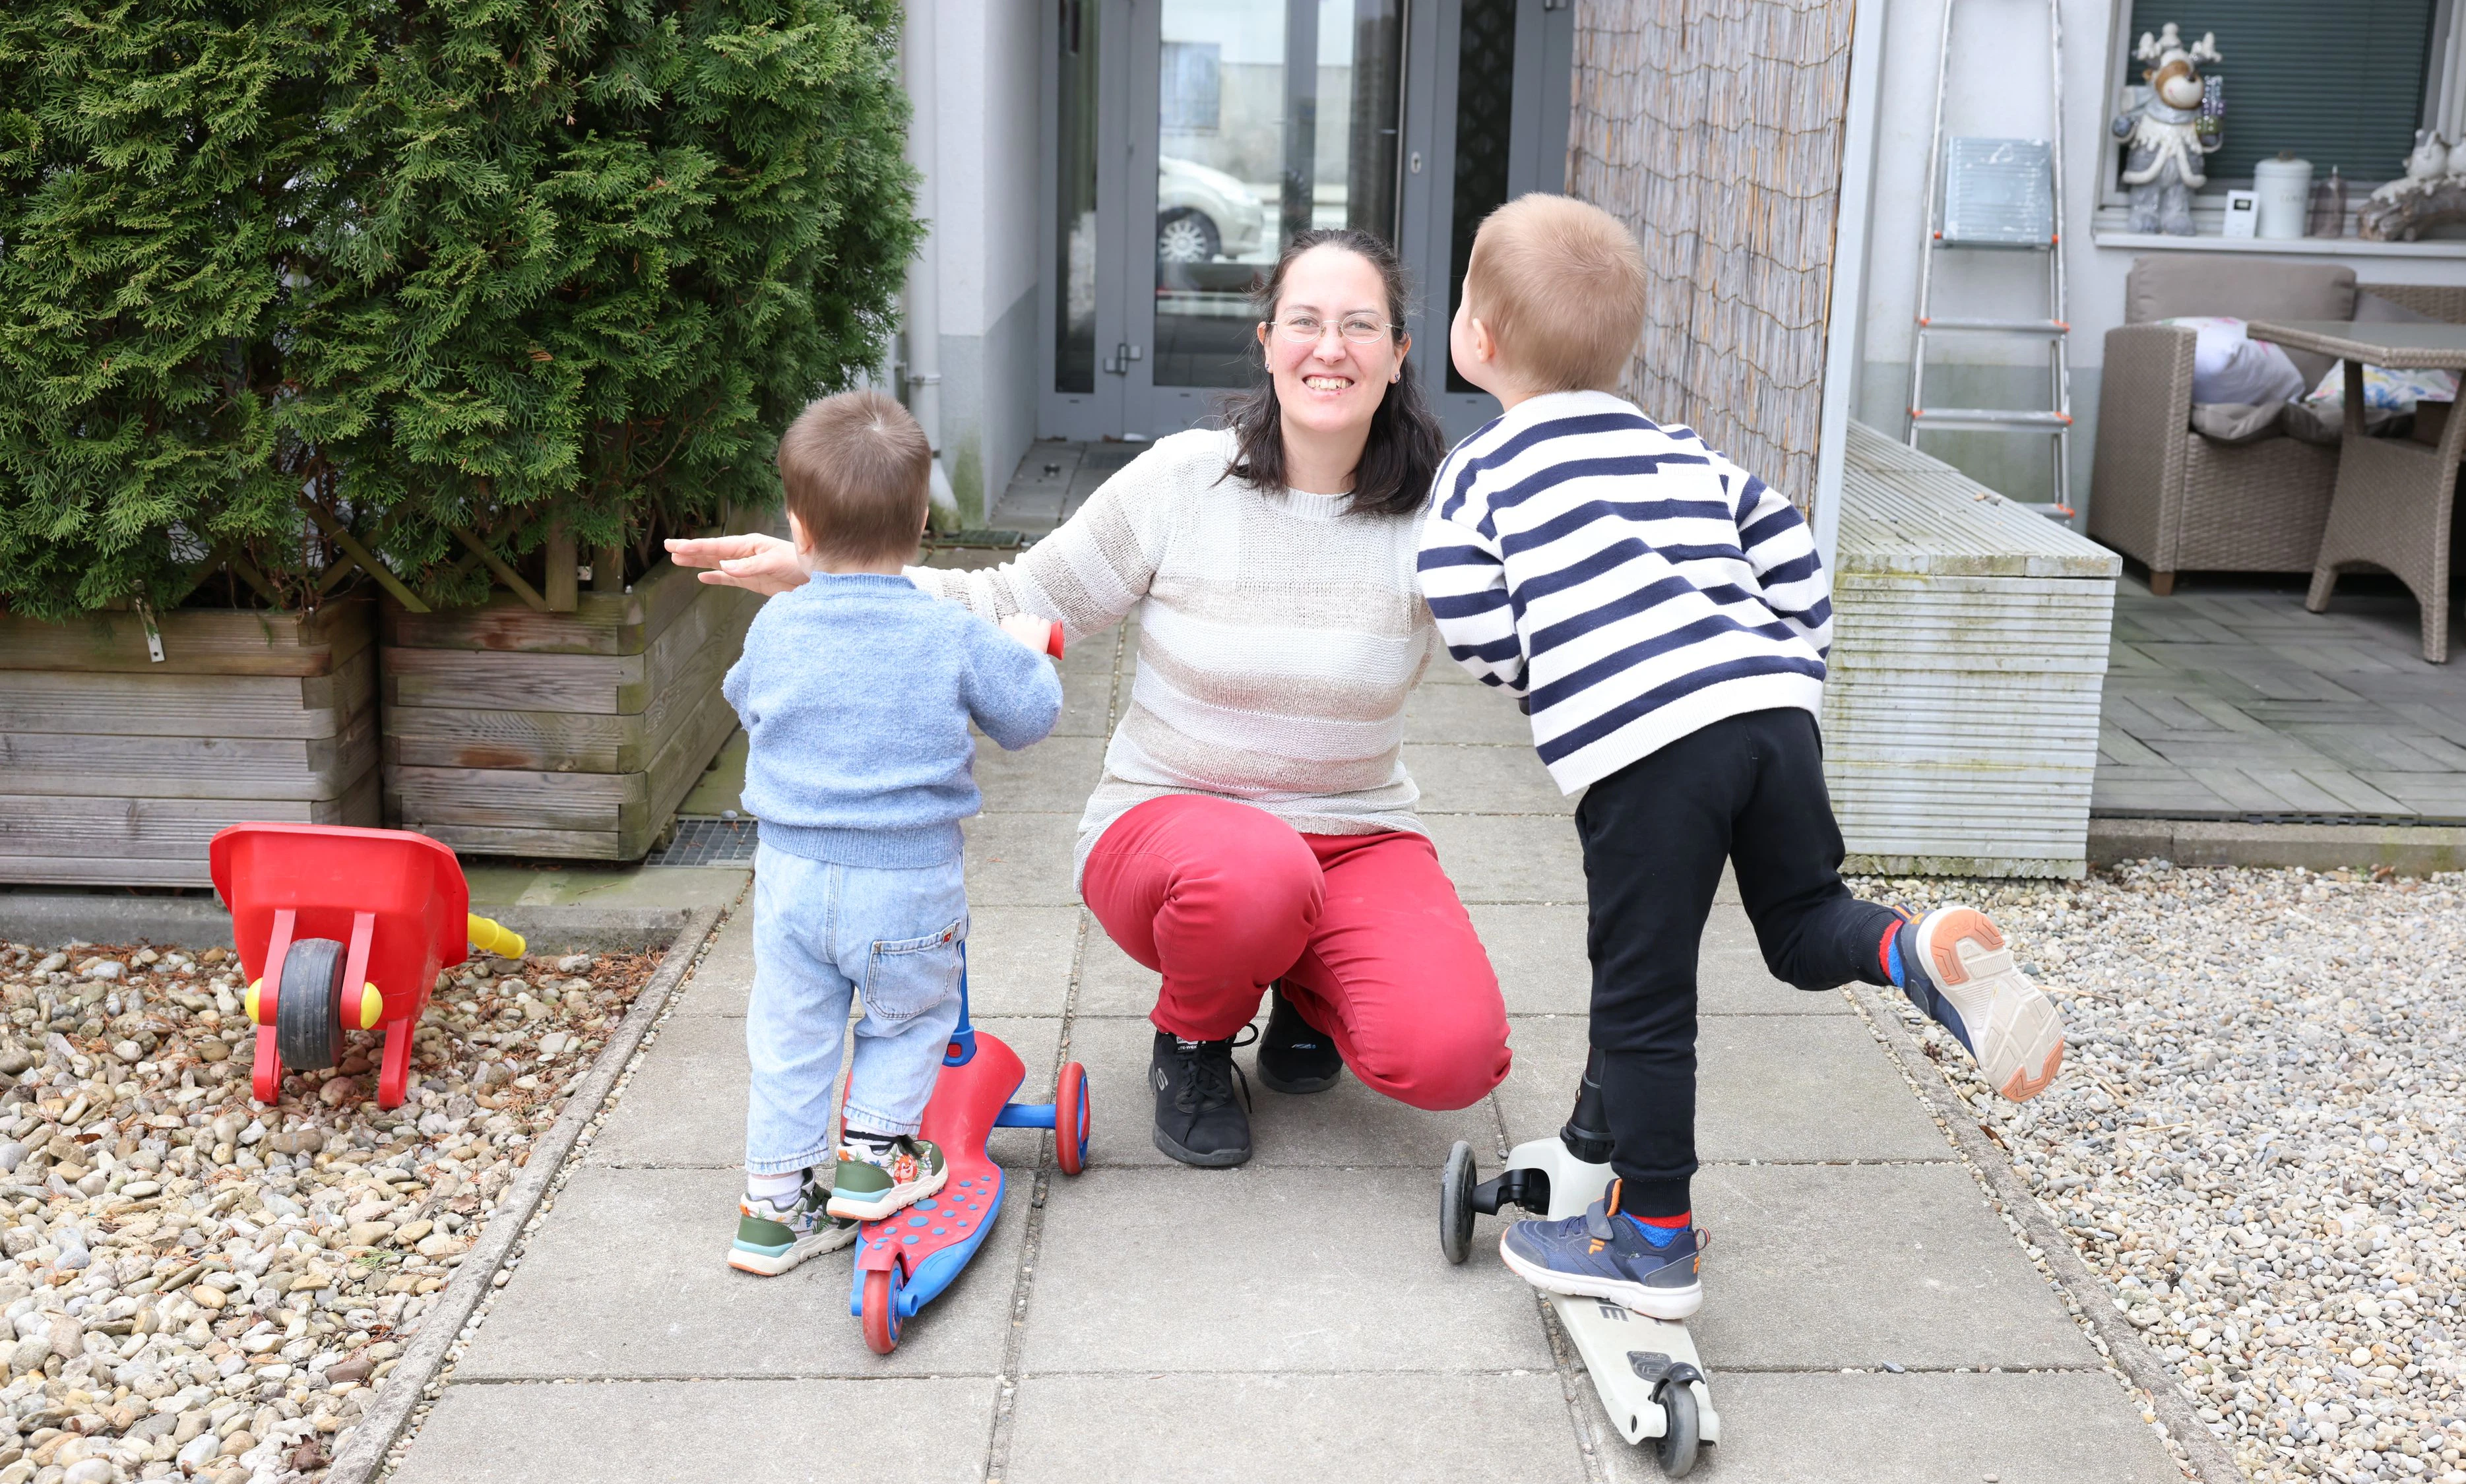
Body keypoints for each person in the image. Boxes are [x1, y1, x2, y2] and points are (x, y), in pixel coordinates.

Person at [670, 230, 1511, 1172]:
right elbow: (1014, 597)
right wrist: (832, 575)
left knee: (1453, 1056)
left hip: (1354, 831)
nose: (1330, 348)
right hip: (1174, 830)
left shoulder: (1438, 513)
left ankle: (1305, 989)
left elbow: (1529, 636)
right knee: (1257, 875)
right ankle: (1194, 1038)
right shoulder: (1185, 480)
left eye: (1359, 326)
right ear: (1268, 341)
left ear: (1398, 354)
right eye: (1304, 322)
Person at [1417, 195, 2066, 1321]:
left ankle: (1653, 1239)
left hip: (1646, 743)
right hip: (1772, 713)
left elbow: (1464, 609)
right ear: (1623, 347)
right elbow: (1794, 556)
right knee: (1803, 920)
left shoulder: (1484, 470)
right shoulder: (1683, 451)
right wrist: (1788, 668)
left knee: (1645, 996)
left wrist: (1545, 668)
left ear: (1476, 338)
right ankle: (1910, 949)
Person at [720, 390, 1063, 1276]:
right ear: (920, 525)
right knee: (911, 1016)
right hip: (906, 881)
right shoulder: (950, 630)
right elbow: (1028, 716)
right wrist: (1027, 649)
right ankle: (875, 1156)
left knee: (790, 1036)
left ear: (799, 529)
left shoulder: (777, 620)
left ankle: (772, 1212)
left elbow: (744, 700)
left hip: (791, 877)